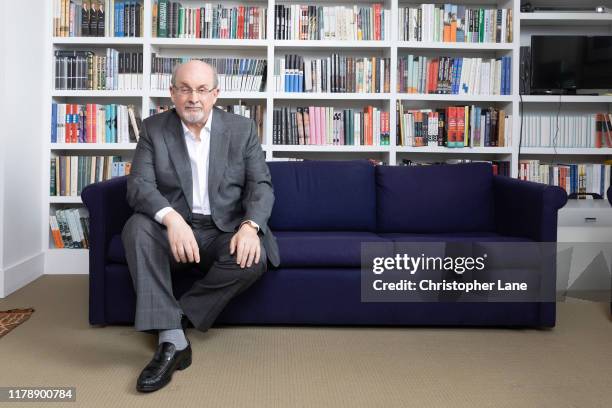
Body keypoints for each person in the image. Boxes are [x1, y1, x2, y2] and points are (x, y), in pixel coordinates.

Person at [121, 60, 280, 393]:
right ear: (172, 93)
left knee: (254, 258)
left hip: (225, 229)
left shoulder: (242, 129)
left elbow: (260, 186)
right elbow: (139, 185)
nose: (193, 97)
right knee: (137, 228)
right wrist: (172, 218)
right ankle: (173, 344)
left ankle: (170, 322)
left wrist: (250, 226)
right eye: (185, 88)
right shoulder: (153, 129)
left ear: (215, 94)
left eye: (202, 89)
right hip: (175, 232)